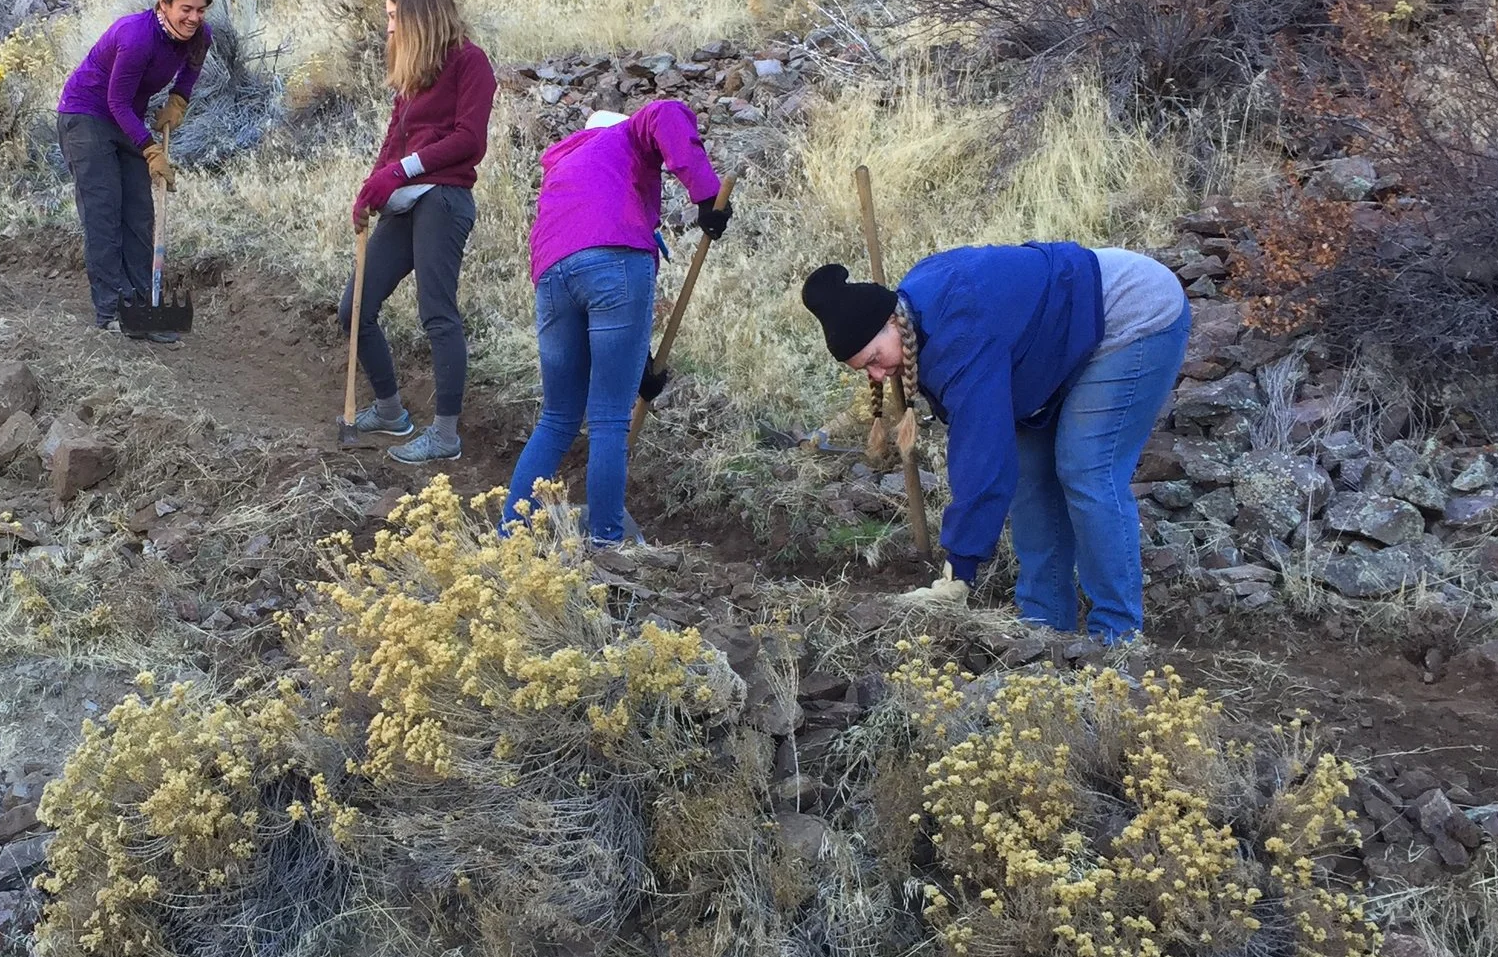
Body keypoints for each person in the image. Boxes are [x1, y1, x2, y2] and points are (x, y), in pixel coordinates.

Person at [800, 241, 1191, 644]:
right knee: (1030, 478)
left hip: (1131, 315)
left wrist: (959, 569)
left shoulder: (959, 331)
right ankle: (1044, 626)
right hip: (1053, 345)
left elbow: (982, 452)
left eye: (874, 359)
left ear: (890, 323)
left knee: (1086, 467)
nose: (880, 375)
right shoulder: (915, 321)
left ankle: (1118, 637)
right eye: (865, 370)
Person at [502, 100, 729, 546]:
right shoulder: (627, 137)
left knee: (557, 417)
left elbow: (587, 257)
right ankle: (607, 542)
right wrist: (706, 194)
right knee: (608, 419)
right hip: (615, 262)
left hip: (552, 275)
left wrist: (636, 361)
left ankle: (510, 534)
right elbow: (666, 113)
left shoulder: (565, 163)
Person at [342, 0, 497, 466]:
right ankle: (390, 410)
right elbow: (395, 138)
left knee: (437, 311)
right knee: (353, 309)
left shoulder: (470, 62)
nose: (388, 29)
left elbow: (469, 139)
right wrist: (373, 186)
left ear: (417, 15)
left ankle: (446, 435)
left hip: (444, 199)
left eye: (393, 18)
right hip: (406, 203)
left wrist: (401, 171)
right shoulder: (413, 72)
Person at [56, 0, 212, 337]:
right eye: (185, 9)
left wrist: (179, 100)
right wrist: (150, 150)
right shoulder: (136, 37)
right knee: (104, 213)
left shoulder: (199, 35)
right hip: (86, 115)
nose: (192, 18)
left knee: (140, 214)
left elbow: (190, 71)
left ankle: (142, 307)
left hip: (126, 117)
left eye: (200, 10)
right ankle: (110, 311)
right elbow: (116, 101)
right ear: (164, 3)